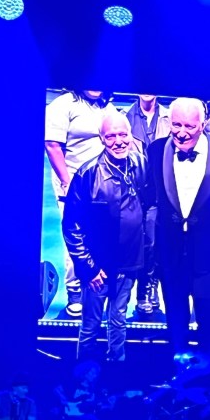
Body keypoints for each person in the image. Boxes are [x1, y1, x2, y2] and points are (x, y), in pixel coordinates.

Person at [146, 97, 210, 363]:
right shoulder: (155, 150)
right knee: (175, 315)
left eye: (189, 126)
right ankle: (179, 369)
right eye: (177, 125)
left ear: (203, 124)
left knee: (209, 315)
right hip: (170, 251)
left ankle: (209, 372)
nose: (182, 132)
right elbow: (149, 201)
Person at [63, 112, 148, 362]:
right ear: (101, 139)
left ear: (131, 136)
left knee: (119, 320)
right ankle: (84, 377)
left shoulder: (141, 165)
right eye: (111, 136)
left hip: (128, 263)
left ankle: (116, 371)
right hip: (97, 269)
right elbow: (71, 225)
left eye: (123, 135)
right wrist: (89, 268)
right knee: (90, 325)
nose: (118, 141)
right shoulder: (87, 173)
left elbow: (149, 207)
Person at [44, 89, 120, 319]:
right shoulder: (63, 104)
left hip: (101, 185)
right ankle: (75, 293)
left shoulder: (107, 107)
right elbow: (52, 145)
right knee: (76, 237)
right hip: (73, 184)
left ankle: (95, 289)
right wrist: (68, 183)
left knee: (100, 238)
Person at [123, 94, 170, 320]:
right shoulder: (125, 117)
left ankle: (150, 288)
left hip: (161, 192)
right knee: (137, 244)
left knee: (154, 243)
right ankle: (138, 292)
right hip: (133, 191)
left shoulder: (169, 118)